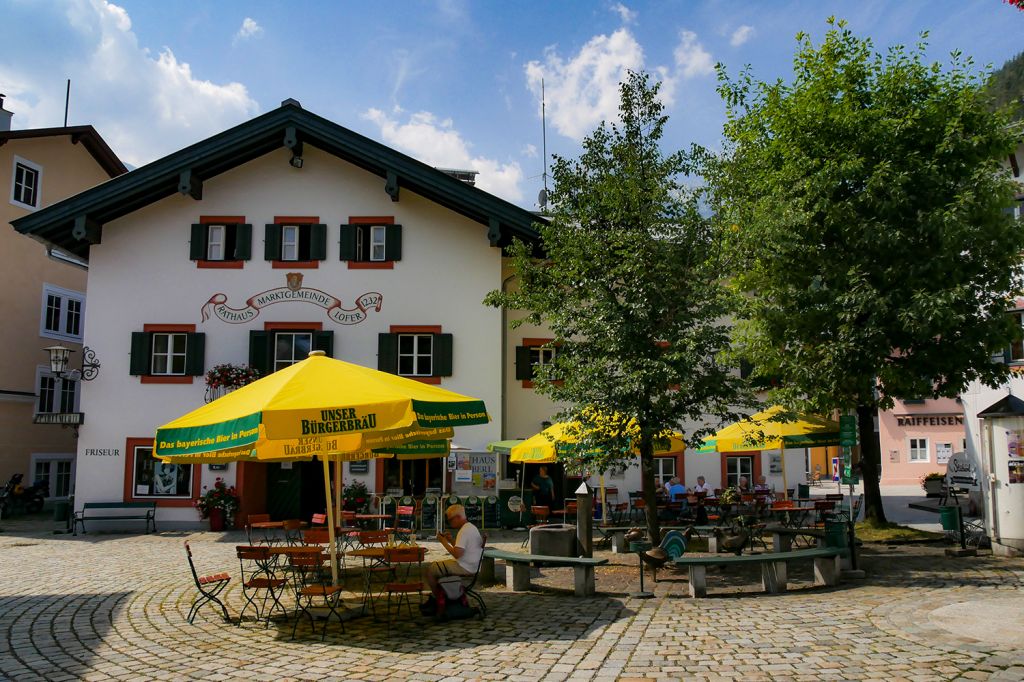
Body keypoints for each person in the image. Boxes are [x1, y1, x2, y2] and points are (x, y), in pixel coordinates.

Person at [425, 504, 484, 594]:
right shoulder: (470, 527)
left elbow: (457, 554)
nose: (450, 522)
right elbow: (461, 549)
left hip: (466, 567)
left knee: (431, 570)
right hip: (472, 566)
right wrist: (450, 540)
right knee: (438, 567)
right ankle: (444, 593)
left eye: (450, 520)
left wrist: (443, 542)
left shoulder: (464, 531)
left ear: (458, 517)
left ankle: (437, 597)